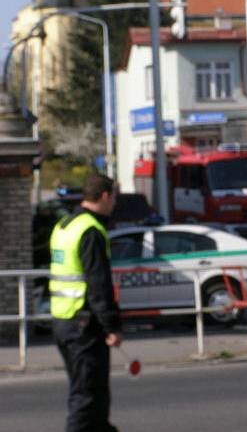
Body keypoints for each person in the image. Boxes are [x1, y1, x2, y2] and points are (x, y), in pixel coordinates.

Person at [49, 173, 122, 432]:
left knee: (93, 396)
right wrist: (112, 326)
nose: (114, 202)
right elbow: (98, 284)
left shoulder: (64, 226)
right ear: (104, 196)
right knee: (87, 397)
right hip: (84, 326)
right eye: (113, 196)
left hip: (63, 321)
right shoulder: (90, 230)